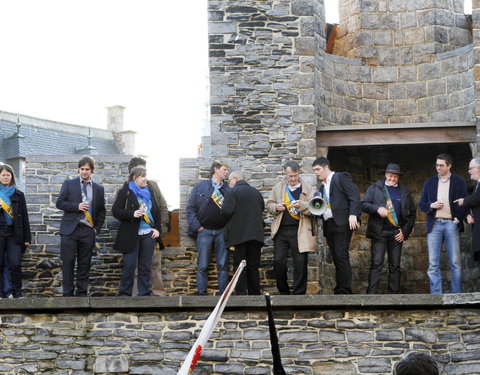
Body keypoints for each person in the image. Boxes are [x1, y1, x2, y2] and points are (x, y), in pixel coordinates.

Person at [361, 163, 416, 294]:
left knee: (395, 266)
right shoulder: (375, 188)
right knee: (376, 264)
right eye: (390, 176)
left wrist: (405, 231)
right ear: (385, 175)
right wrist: (377, 209)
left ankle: (394, 295)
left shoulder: (405, 191)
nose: (392, 179)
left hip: (397, 233)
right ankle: (371, 294)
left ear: (398, 177)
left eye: (395, 176)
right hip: (379, 232)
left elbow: (412, 213)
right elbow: (363, 204)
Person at [56, 156, 106, 297]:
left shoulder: (98, 189)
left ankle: (82, 295)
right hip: (69, 230)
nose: (84, 172)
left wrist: (96, 229)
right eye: (82, 169)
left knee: (84, 264)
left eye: (87, 169)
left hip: (87, 231)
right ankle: (68, 295)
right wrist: (76, 206)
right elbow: (59, 203)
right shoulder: (69, 184)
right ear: (78, 169)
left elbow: (102, 211)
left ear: (92, 171)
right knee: (68, 263)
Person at [419, 153, 468, 294]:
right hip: (434, 224)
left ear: (449, 166)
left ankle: (457, 295)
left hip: (451, 223)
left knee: (455, 262)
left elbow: (465, 203)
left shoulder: (459, 182)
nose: (438, 167)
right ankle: (436, 296)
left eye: (441, 165)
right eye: (437, 165)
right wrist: (431, 205)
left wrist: (457, 220)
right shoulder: (429, 182)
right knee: (433, 264)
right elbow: (421, 204)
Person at [312, 157, 361, 295]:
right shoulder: (321, 188)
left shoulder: (340, 177)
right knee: (336, 257)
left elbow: (355, 196)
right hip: (329, 225)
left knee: (341, 255)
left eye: (318, 169)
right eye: (314, 170)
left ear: (326, 167)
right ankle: (340, 287)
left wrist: (353, 215)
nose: (316, 173)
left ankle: (344, 290)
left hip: (342, 223)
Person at [266, 161, 316, 295]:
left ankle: (299, 294)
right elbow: (269, 205)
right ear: (285, 174)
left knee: (300, 263)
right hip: (281, 230)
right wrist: (276, 207)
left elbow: (314, 209)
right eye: (290, 176)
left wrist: (302, 205)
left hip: (299, 230)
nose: (292, 179)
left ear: (299, 173)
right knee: (278, 262)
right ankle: (284, 293)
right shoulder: (278, 187)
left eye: (295, 175)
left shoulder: (308, 188)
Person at [112, 167, 163, 296]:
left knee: (145, 267)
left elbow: (157, 213)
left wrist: (157, 229)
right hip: (130, 234)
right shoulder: (126, 192)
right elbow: (116, 211)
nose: (146, 179)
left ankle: (144, 294)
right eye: (143, 176)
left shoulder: (149, 192)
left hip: (148, 234)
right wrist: (132, 213)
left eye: (146, 176)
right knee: (129, 266)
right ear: (135, 178)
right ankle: (125, 294)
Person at [186, 160, 230, 296]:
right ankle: (202, 295)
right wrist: (197, 227)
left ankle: (223, 295)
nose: (226, 172)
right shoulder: (200, 187)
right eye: (224, 169)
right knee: (203, 265)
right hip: (204, 231)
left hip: (222, 231)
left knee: (223, 266)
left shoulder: (228, 189)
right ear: (215, 170)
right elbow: (190, 209)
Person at [128, 157, 169, 296]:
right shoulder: (125, 189)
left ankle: (158, 295)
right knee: (133, 267)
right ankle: (135, 296)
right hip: (133, 235)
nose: (145, 176)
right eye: (142, 172)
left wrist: (160, 230)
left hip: (152, 233)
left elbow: (163, 207)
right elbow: (119, 211)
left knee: (154, 266)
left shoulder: (153, 186)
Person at [222, 170, 265, 295]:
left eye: (229, 181)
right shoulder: (256, 193)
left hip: (239, 236)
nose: (229, 184)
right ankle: (255, 294)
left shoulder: (233, 192)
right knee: (253, 266)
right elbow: (261, 209)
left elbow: (226, 211)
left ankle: (241, 294)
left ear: (235, 179)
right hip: (256, 235)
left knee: (240, 266)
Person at [0, 164, 31, 298]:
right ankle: (2, 293)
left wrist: (27, 238)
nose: (6, 177)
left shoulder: (19, 194)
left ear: (12, 176)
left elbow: (24, 217)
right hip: (0, 232)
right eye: (3, 175)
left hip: (14, 234)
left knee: (15, 264)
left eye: (8, 175)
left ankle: (16, 293)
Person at [454, 156, 480, 263]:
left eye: (471, 168)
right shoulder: (476, 186)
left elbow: (477, 198)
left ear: (479, 168)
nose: (469, 171)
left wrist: (463, 201)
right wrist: (468, 214)